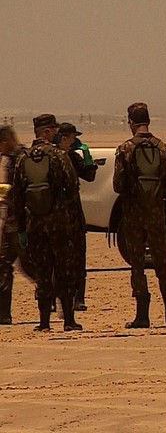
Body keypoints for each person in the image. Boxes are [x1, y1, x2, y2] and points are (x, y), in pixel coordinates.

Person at [8, 114, 81, 331]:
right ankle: (68, 320)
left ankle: (43, 322)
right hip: (59, 225)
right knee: (63, 270)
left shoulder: (23, 158)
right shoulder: (59, 156)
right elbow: (72, 187)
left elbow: (18, 197)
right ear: (47, 132)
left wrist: (22, 228)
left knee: (42, 272)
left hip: (35, 225)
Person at [113, 103, 166, 328]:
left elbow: (117, 185)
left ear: (131, 122)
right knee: (162, 262)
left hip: (133, 215)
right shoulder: (164, 149)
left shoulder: (125, 150)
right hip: (156, 214)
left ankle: (143, 315)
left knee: (138, 264)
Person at [56, 122, 97, 311]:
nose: (75, 141)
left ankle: (78, 297)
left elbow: (89, 176)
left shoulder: (72, 156)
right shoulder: (52, 157)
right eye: (73, 138)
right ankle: (57, 298)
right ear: (64, 138)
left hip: (72, 213)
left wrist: (88, 159)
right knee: (57, 258)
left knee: (78, 256)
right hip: (57, 214)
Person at [0, 125, 24, 324]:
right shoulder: (12, 159)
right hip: (12, 222)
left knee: (32, 266)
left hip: (23, 222)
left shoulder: (22, 159)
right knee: (4, 265)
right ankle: (3, 314)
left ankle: (54, 299)